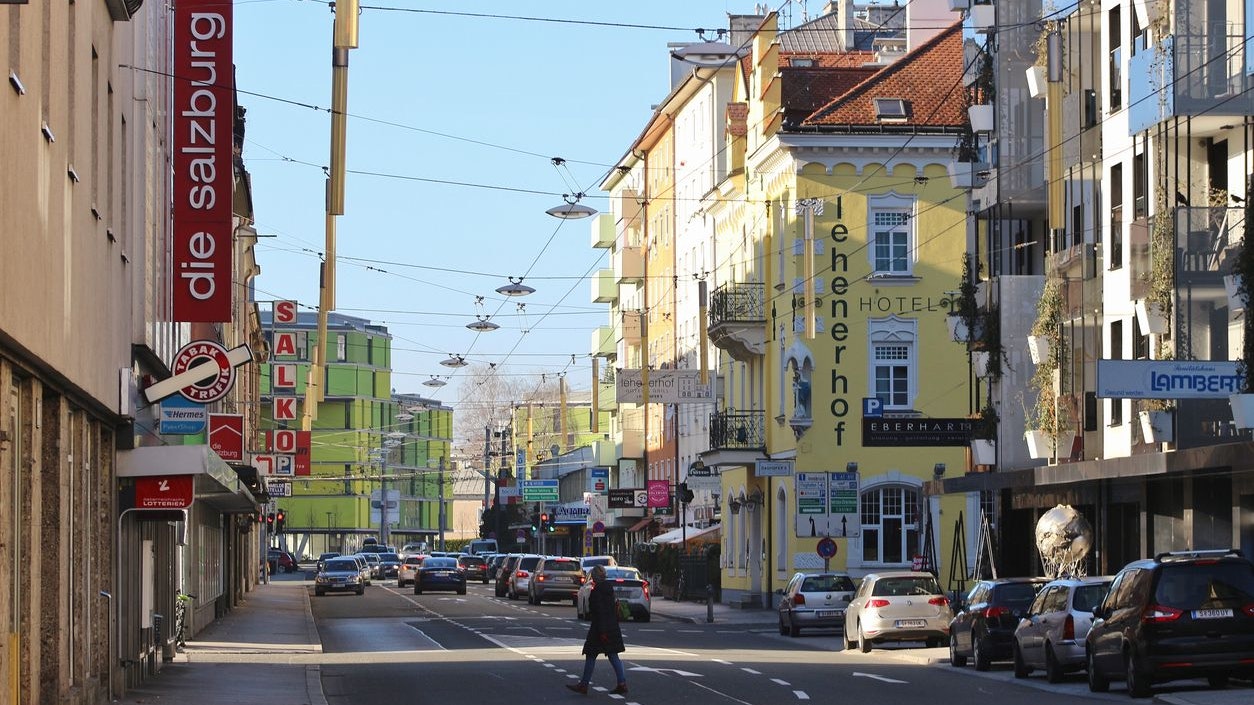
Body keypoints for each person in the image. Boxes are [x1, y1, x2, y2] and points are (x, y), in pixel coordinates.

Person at [566, 565, 627, 695]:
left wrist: (602, 631)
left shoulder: (597, 591)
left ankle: (584, 685)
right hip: (612, 626)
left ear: (594, 576)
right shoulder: (609, 589)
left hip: (600, 629)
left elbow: (599, 612)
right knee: (613, 654)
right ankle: (622, 683)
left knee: (591, 654)